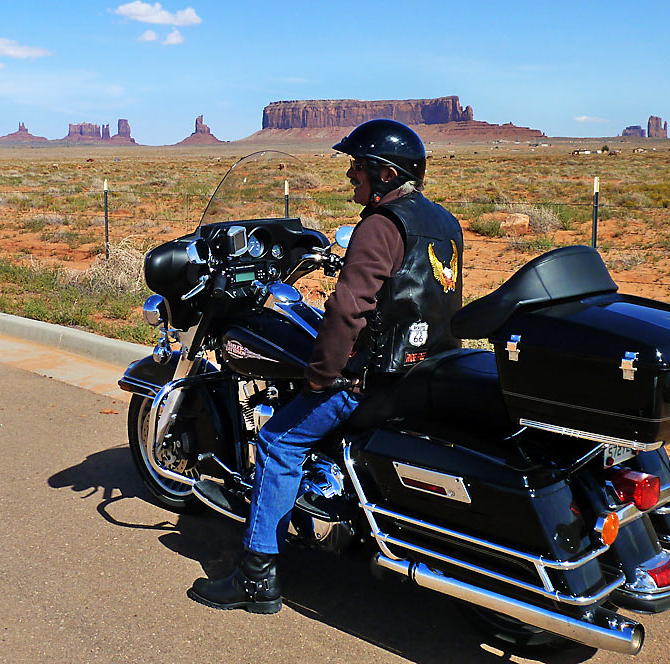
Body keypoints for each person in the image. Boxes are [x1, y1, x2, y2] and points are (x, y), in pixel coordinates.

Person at [187, 118, 464, 614]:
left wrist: (321, 374)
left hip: (374, 379)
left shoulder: (380, 226)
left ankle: (256, 578)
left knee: (278, 441)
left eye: (358, 166)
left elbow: (348, 309)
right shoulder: (442, 220)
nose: (351, 175)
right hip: (430, 369)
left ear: (384, 173)